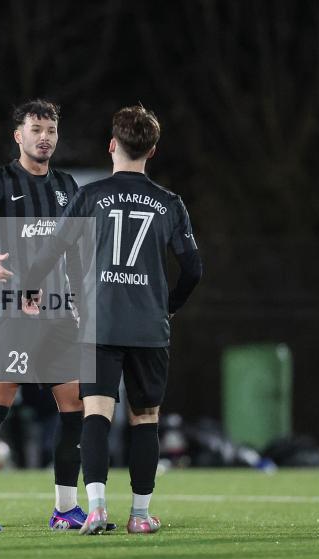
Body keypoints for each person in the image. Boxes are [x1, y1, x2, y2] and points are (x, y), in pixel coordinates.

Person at [24, 105, 203, 534]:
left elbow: (51, 250)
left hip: (99, 322)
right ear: (152, 150)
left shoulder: (90, 196)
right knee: (145, 418)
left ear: (112, 145)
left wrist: (30, 285)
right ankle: (139, 516)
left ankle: (97, 508)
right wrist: (168, 305)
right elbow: (193, 270)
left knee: (96, 413)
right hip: (147, 326)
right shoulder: (169, 203)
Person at [0, 99, 108, 532]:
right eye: (36, 129)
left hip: (60, 318)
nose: (45, 138)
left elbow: (74, 251)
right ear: (18, 135)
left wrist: (79, 299)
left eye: (52, 130)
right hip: (14, 316)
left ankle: (65, 507)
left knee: (74, 405)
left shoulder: (66, 184)